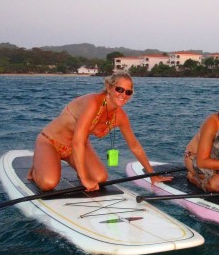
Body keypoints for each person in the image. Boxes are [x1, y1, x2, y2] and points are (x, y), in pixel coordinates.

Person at [28, 71, 172, 192]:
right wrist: (84, 179)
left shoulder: (120, 116)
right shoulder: (93, 103)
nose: (123, 94)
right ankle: (36, 170)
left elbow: (134, 146)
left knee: (100, 178)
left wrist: (151, 174)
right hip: (51, 141)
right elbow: (77, 141)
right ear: (109, 87)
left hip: (75, 149)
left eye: (128, 92)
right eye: (119, 89)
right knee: (48, 183)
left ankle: (71, 167)